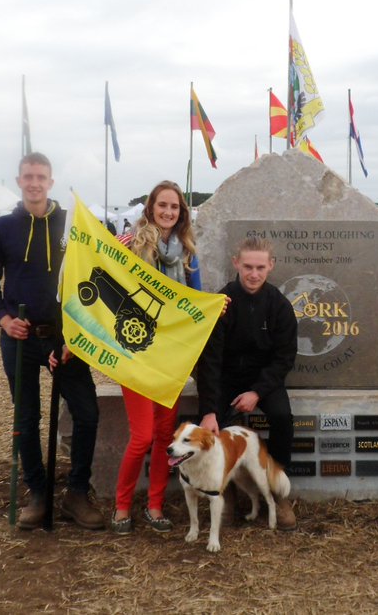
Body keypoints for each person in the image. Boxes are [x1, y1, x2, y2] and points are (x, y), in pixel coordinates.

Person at [0, 152, 104, 531]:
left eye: (41, 177)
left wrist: (75, 337)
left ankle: (77, 493)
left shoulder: (73, 225)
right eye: (28, 176)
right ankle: (37, 491)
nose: (34, 183)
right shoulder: (1, 229)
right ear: (19, 181)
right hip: (19, 338)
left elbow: (94, 279)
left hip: (66, 339)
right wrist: (3, 319)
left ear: (51, 182)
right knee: (26, 418)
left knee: (87, 413)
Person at [109, 181, 201, 535]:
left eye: (174, 207)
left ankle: (155, 505)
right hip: (137, 355)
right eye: (162, 205)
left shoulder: (189, 254)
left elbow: (197, 300)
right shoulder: (132, 245)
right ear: (150, 208)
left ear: (181, 213)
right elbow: (104, 270)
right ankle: (121, 506)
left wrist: (215, 309)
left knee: (165, 436)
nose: (167, 212)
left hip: (171, 358)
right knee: (142, 436)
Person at [196, 237, 299, 530]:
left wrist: (257, 391)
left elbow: (284, 357)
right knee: (211, 426)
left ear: (271, 266)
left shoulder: (279, 305)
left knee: (281, 417)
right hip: (226, 377)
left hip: (264, 379)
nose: (254, 274)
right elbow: (210, 361)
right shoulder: (222, 303)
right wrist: (209, 410)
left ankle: (278, 492)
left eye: (260, 267)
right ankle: (224, 493)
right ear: (236, 264)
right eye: (248, 267)